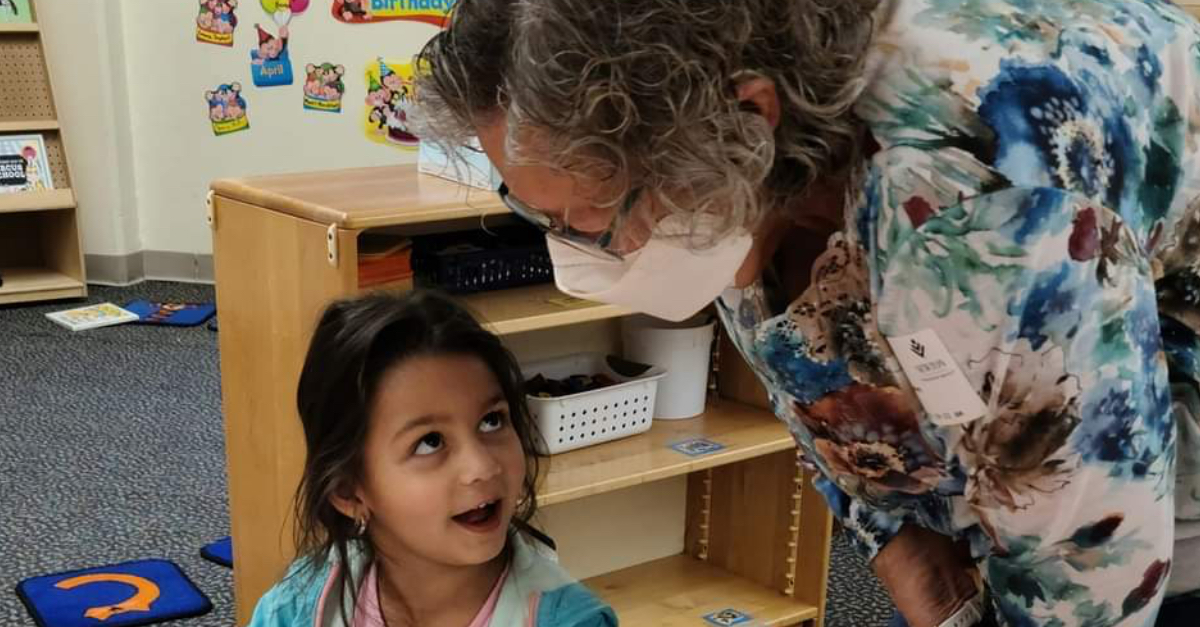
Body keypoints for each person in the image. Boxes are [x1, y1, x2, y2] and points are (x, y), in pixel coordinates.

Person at [412, 0, 1200, 625]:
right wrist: (907, 553)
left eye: (594, 218)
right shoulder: (719, 166)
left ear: (746, 122)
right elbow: (818, 381)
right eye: (539, 211)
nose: (574, 255)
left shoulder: (974, 209)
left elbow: (1092, 568)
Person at [246, 291, 617, 627]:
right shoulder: (295, 610)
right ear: (348, 490)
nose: (482, 466)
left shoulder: (570, 621)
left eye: (492, 421)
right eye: (430, 442)